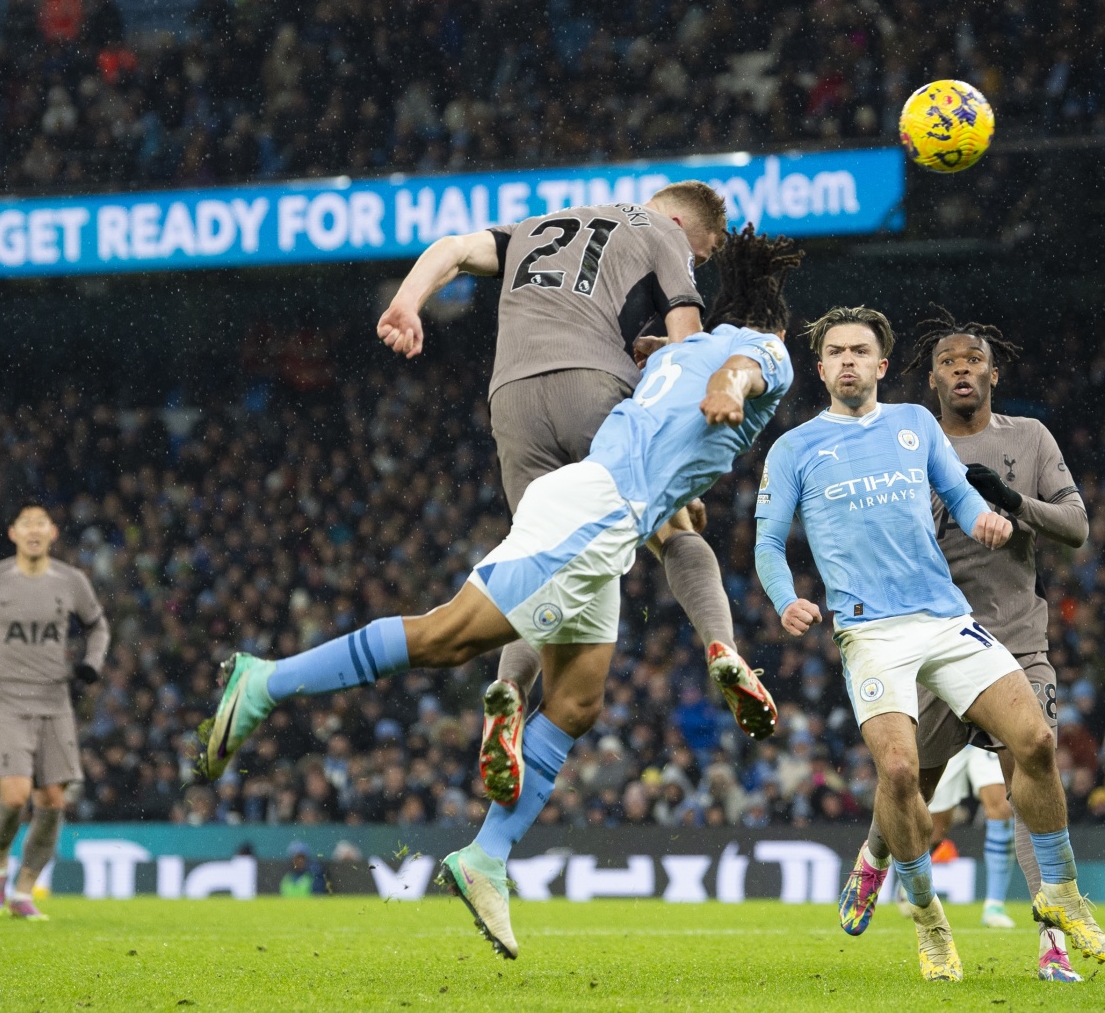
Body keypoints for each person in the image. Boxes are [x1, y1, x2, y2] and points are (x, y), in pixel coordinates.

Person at [201, 228, 799, 960]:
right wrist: (725, 391)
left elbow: (666, 417)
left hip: (601, 505)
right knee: (448, 637)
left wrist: (681, 473)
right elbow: (740, 371)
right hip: (596, 513)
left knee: (577, 703)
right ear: (780, 321)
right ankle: (267, 682)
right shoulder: (764, 350)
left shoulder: (673, 353)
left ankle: (486, 857)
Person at [375, 181, 777, 806]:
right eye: (701, 253)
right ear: (679, 220)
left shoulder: (537, 225)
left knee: (537, 561)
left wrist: (407, 304)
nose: (694, 261)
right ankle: (722, 646)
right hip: (595, 387)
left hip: (511, 398)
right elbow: (689, 344)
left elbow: (450, 248)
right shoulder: (661, 229)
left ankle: (508, 690)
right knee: (677, 530)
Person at [755, 306, 1105, 983]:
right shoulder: (795, 448)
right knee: (902, 779)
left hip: (953, 623)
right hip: (871, 631)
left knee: (1034, 745)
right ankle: (926, 920)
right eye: (836, 352)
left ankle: (1061, 907)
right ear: (822, 366)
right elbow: (768, 542)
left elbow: (964, 492)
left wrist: (992, 517)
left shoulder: (916, 427)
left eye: (861, 351)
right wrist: (786, 600)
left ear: (883, 367)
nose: (849, 362)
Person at [843, 307, 1093, 981]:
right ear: (930, 379)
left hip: (1015, 643)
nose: (962, 370)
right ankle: (874, 858)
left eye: (973, 360)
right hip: (934, 642)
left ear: (993, 372)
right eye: (949, 362)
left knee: (1031, 773)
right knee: (907, 783)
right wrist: (945, 510)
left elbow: (1075, 526)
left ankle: (1054, 944)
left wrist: (1012, 503)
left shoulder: (1031, 438)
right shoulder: (905, 444)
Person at [0, 504, 109, 921]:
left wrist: (92, 663)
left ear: (53, 533)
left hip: (56, 701)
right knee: (16, 797)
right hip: (10, 700)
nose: (34, 530)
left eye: (41, 523)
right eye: (26, 524)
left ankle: (23, 891)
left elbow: (99, 626)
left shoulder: (72, 581)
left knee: (53, 800)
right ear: (13, 533)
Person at [920, 745, 1017, 929]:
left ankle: (994, 906)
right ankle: (914, 876)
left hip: (984, 732)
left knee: (1003, 809)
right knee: (936, 830)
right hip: (950, 732)